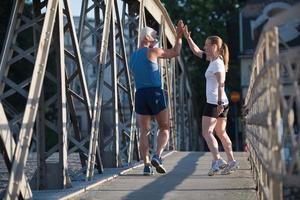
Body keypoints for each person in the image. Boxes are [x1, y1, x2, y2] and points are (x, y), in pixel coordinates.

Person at [129, 21, 184, 175]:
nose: (156, 38)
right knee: (164, 127)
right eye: (154, 36)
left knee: (144, 131)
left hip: (140, 94)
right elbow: (175, 52)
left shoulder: (132, 57)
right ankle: (157, 156)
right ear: (147, 37)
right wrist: (179, 35)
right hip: (155, 93)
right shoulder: (152, 51)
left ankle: (146, 166)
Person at [183, 25, 238, 176]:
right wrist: (188, 38)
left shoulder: (217, 64)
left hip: (215, 102)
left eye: (207, 45)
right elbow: (196, 52)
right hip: (220, 102)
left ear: (214, 46)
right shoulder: (213, 60)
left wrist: (219, 103)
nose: (204, 47)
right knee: (221, 132)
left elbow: (221, 84)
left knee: (207, 132)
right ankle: (232, 161)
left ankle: (217, 160)